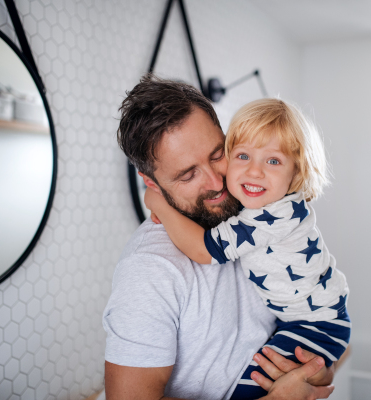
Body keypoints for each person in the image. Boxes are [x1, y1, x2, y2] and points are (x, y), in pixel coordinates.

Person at [103, 75, 337, 400]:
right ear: (151, 182)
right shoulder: (149, 270)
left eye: (217, 155)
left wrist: (313, 372)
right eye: (188, 174)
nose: (216, 182)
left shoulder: (254, 212)